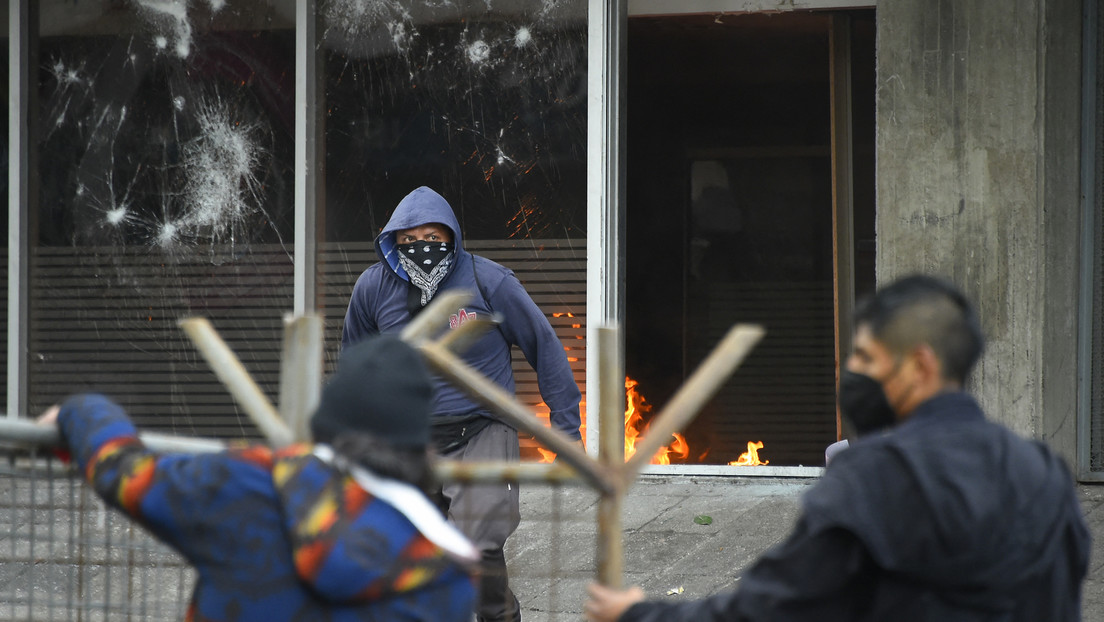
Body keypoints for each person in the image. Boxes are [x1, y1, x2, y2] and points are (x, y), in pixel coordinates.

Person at [584, 274, 1091, 622]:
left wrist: (637, 612)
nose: (849, 375)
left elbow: (771, 610)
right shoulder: (1043, 473)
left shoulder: (874, 478)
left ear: (921, 365)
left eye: (867, 358)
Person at [41, 335, 479, 622]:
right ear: (419, 445)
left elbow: (123, 473)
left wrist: (81, 410)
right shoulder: (450, 577)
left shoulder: (245, 482)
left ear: (326, 421)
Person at [342, 185, 582, 622]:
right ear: (392, 242)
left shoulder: (490, 281)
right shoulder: (372, 289)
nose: (421, 249)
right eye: (408, 242)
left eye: (431, 238)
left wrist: (567, 432)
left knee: (477, 541)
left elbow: (544, 347)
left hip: (482, 429)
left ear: (451, 236)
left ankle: (498, 616)